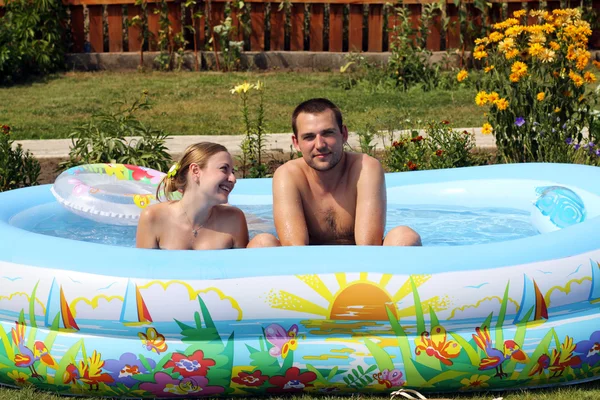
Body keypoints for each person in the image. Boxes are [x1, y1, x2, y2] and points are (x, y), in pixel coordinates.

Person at [272, 98, 422, 246]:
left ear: (343, 134)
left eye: (328, 133)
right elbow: (294, 250)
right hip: (309, 269)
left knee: (404, 237)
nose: (320, 145)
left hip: (362, 267)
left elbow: (369, 246)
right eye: (309, 137)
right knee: (262, 242)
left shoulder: (365, 168)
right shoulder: (288, 175)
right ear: (296, 143)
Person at [136, 142, 279, 250]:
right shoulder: (153, 217)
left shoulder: (233, 219)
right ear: (196, 171)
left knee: (265, 241)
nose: (233, 179)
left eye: (233, 172)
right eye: (224, 169)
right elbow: (144, 273)